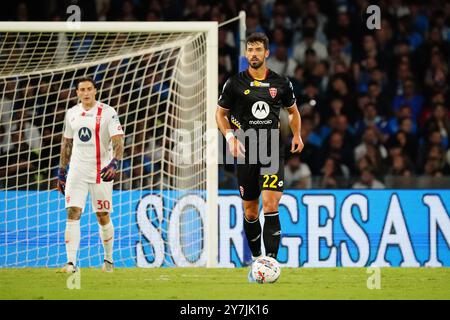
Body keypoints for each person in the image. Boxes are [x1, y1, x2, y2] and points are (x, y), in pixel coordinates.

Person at [215, 33, 303, 281]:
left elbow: (293, 112)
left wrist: (297, 134)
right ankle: (256, 262)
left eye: (258, 50)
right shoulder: (234, 83)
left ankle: (271, 262)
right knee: (251, 212)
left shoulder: (281, 83)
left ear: (266, 53)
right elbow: (220, 114)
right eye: (250, 50)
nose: (253, 54)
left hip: (273, 149)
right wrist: (230, 138)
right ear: (246, 54)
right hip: (246, 150)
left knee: (271, 205)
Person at [57, 77, 124, 273]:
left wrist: (115, 162)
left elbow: (118, 139)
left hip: (101, 171)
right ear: (77, 93)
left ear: (95, 91)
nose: (86, 93)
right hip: (77, 171)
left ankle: (109, 261)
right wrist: (62, 170)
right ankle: (71, 263)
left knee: (102, 216)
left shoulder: (108, 112)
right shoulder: (72, 113)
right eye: (82, 90)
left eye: (89, 89)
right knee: (72, 212)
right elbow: (67, 143)